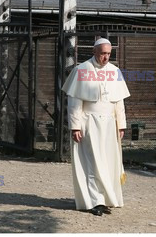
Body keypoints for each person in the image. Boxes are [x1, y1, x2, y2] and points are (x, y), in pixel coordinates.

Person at [62, 38, 130, 216]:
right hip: (89, 123)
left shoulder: (115, 72)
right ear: (95, 52)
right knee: (92, 162)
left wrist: (121, 125)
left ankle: (106, 198)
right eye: (102, 54)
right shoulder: (82, 71)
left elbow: (119, 102)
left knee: (107, 162)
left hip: (109, 124)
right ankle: (94, 201)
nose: (106, 57)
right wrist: (75, 126)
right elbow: (74, 102)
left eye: (108, 54)